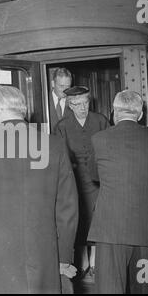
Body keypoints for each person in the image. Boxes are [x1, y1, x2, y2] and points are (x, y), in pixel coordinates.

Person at [0, 86, 79, 293]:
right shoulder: (54, 145)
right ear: (22, 112)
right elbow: (68, 207)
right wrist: (64, 256)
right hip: (44, 254)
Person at [88, 90, 148, 294]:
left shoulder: (99, 139)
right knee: (144, 288)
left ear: (114, 112)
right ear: (140, 115)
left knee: (110, 290)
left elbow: (94, 175)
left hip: (109, 235)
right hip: (147, 236)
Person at [55, 86, 110, 283]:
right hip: (75, 182)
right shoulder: (62, 126)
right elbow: (60, 158)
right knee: (79, 221)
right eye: (77, 105)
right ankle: (83, 263)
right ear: (70, 105)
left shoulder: (101, 121)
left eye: (85, 103)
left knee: (98, 221)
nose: (82, 108)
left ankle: (95, 264)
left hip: (99, 182)